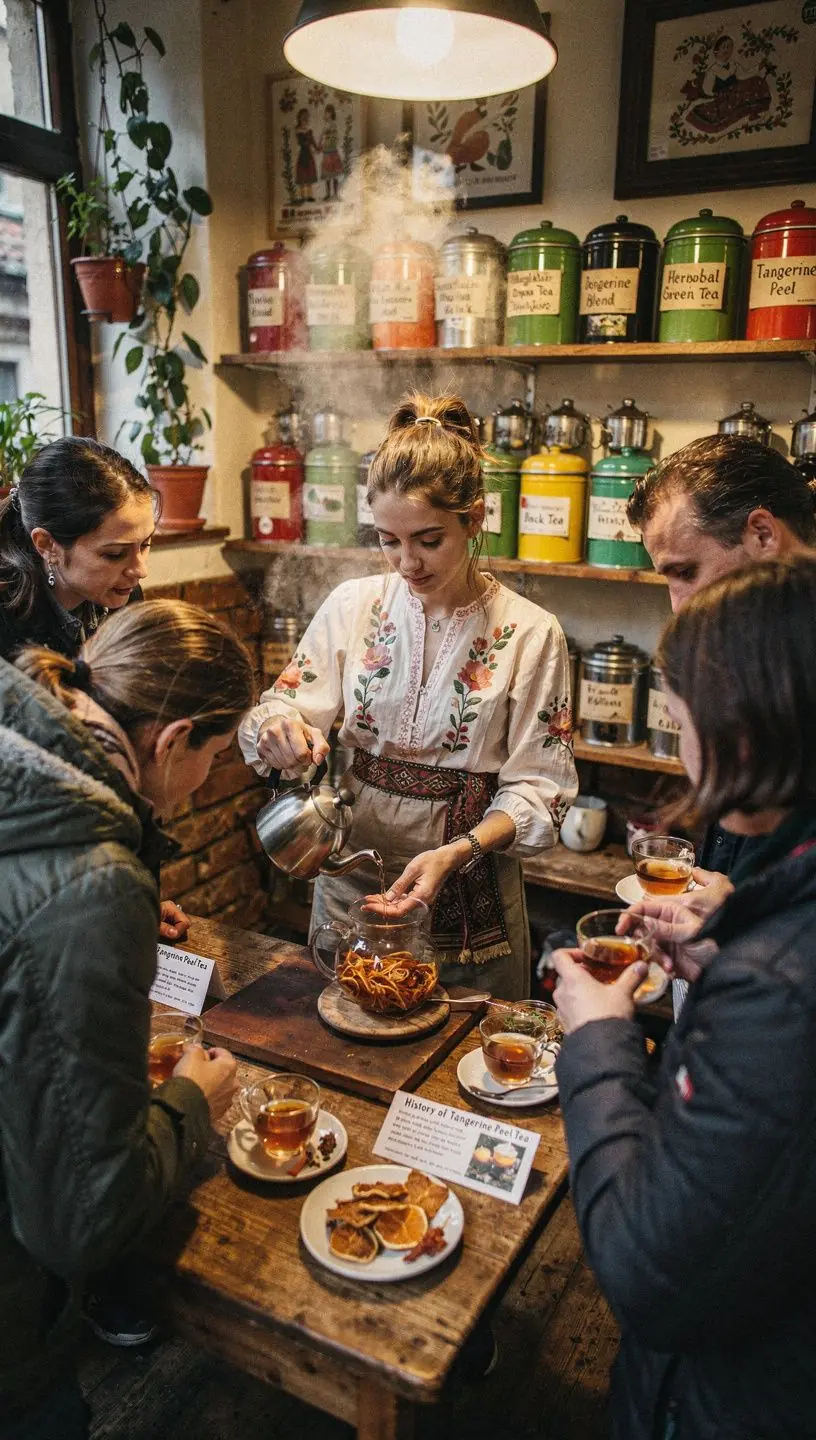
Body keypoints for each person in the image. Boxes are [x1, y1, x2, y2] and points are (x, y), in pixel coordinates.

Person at [551, 557, 816, 1440]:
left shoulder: (778, 993)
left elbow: (646, 1275)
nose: (675, 729)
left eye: (682, 710)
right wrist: (729, 941)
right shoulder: (778, 930)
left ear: (746, 731)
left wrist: (598, 1037)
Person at [0, 597, 254, 1439]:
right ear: (173, 739)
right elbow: (81, 1217)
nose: (205, 786)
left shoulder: (27, 759)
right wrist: (191, 1100)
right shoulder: (93, 877)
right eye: (212, 758)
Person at [240, 393, 577, 1000]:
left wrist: (457, 852)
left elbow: (540, 787)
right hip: (353, 865)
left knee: (460, 1055)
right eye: (388, 540)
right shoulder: (354, 604)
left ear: (474, 519)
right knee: (348, 1019)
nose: (406, 562)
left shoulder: (531, 632)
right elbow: (290, 703)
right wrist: (280, 727)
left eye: (427, 539)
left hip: (469, 879)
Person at [0, 436, 190, 941]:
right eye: (114, 552)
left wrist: (137, 890)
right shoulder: (6, 629)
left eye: (146, 544)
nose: (139, 568)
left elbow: (121, 760)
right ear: (46, 544)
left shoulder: (121, 597)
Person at [627, 433, 815, 918]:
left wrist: (760, 922)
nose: (678, 605)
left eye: (686, 572)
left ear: (762, 534)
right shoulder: (760, 640)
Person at [319, 102, 343, 199]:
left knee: (335, 174)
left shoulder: (333, 125)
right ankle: (328, 194)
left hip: (332, 152)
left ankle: (336, 193)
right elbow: (322, 138)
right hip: (326, 152)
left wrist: (327, 135)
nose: (326, 115)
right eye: (325, 113)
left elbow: (334, 137)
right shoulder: (325, 125)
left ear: (332, 114)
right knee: (327, 175)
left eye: (328, 113)